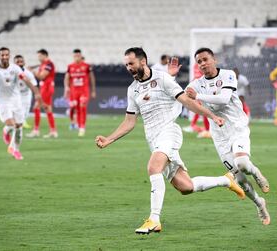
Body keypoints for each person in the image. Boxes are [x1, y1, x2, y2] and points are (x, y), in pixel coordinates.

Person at [95, 47, 245, 234]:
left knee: (153, 167)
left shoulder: (163, 78)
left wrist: (211, 116)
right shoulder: (132, 89)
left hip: (169, 132)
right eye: (126, 65)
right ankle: (226, 180)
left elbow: (187, 102)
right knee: (185, 187)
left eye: (131, 63)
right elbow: (129, 121)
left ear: (142, 62)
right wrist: (109, 139)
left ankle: (154, 219)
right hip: (154, 139)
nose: (128, 68)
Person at [185, 47, 270, 225]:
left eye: (205, 59)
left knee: (243, 164)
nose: (202, 64)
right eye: (199, 61)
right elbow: (184, 98)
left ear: (214, 59)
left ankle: (256, 172)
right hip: (219, 135)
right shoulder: (195, 84)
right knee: (239, 177)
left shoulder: (228, 75)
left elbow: (223, 98)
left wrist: (198, 96)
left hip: (237, 126)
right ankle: (259, 203)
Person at [0, 47, 41, 160]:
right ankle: (6, 132)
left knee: (19, 127)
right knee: (11, 124)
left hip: (16, 100)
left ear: (9, 56)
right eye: (2, 55)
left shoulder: (15, 69)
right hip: (3, 102)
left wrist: (36, 92)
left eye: (6, 55)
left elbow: (25, 79)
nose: (4, 57)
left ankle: (15, 150)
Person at [64, 49, 96, 136]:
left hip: (84, 91)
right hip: (73, 92)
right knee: (73, 108)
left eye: (78, 56)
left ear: (81, 56)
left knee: (82, 107)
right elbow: (67, 78)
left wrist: (93, 90)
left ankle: (82, 127)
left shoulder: (86, 66)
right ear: (73, 56)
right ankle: (74, 123)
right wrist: (66, 88)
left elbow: (91, 78)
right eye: (75, 56)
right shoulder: (70, 66)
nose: (77, 57)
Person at [27, 49, 58, 138]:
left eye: (40, 56)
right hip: (45, 88)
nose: (38, 58)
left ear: (45, 55)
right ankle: (53, 131)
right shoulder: (44, 65)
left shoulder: (49, 64)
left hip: (47, 88)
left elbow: (41, 76)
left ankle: (36, 130)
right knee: (48, 109)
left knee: (36, 107)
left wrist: (32, 72)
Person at [182, 63, 211, 138]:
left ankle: (207, 129)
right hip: (196, 88)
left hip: (202, 89)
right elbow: (196, 77)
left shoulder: (204, 65)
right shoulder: (195, 65)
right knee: (198, 108)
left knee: (202, 109)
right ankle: (204, 128)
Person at [13, 55, 38, 128]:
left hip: (26, 94)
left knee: (25, 111)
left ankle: (22, 122)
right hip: (16, 94)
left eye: (21, 62)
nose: (20, 63)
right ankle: (18, 123)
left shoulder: (28, 74)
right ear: (14, 63)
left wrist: (36, 94)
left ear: (24, 63)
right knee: (17, 109)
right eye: (18, 62)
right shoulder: (10, 73)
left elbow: (34, 84)